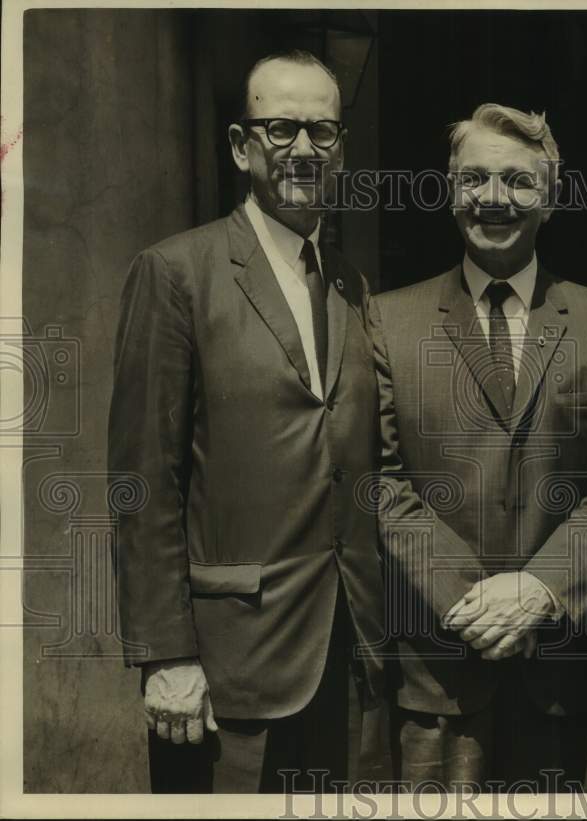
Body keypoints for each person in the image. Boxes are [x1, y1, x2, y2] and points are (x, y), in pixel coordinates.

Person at [108, 49, 385, 793]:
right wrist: (166, 655)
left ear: (342, 149)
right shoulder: (176, 273)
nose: (303, 149)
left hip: (337, 658)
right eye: (281, 128)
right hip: (219, 673)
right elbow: (143, 478)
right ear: (241, 146)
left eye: (322, 132)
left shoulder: (350, 288)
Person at [372, 103, 587, 790]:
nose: (495, 199)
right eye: (476, 180)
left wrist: (537, 589)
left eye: (519, 182)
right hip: (436, 670)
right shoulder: (387, 319)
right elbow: (382, 477)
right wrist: (472, 602)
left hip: (554, 669)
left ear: (550, 198)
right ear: (450, 190)